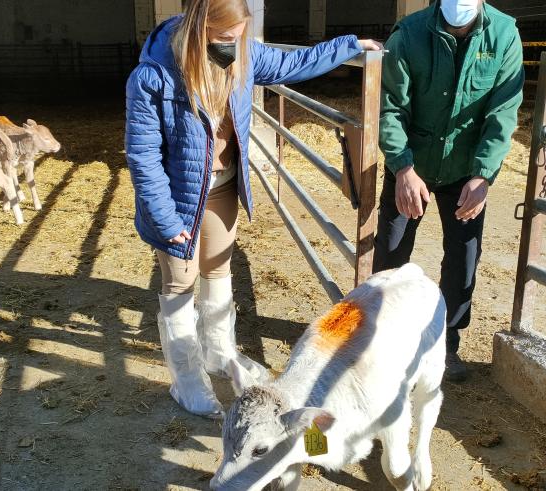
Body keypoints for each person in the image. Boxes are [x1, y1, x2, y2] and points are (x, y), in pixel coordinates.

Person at [125, 0, 382, 418]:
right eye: (226, 38)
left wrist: (350, 44)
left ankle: (220, 354)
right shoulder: (154, 76)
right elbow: (143, 156)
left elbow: (294, 63)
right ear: (199, 30)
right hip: (177, 197)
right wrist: (166, 219)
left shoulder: (242, 55)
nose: (234, 45)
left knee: (219, 269)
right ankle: (187, 378)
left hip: (223, 187)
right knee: (179, 282)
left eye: (240, 36)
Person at [374, 0, 524, 382]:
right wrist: (402, 167)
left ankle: (447, 343)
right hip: (413, 165)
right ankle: (382, 342)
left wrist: (483, 175)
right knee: (391, 252)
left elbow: (502, 113)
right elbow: (390, 106)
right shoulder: (409, 32)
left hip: (465, 171)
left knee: (463, 257)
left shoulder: (504, 33)